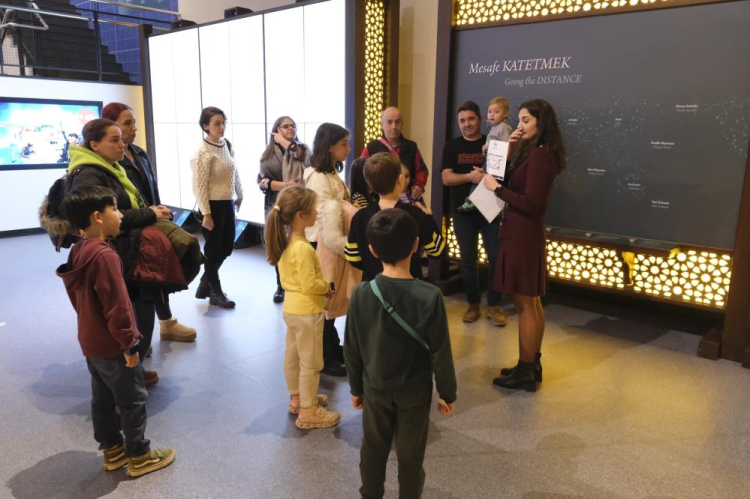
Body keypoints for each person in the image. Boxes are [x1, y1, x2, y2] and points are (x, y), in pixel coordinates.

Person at [56, 185, 176, 478]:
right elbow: (118, 306)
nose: (121, 215)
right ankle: (139, 455)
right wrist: (129, 343)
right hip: (114, 344)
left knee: (103, 398)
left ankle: (112, 449)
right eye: (115, 209)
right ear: (98, 216)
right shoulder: (106, 256)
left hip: (91, 341)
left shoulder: (78, 251)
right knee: (133, 399)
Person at [344, 208, 457, 499]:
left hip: (375, 387)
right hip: (414, 390)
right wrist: (447, 392)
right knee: (410, 455)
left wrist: (356, 387)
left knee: (373, 449)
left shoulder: (361, 293)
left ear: (371, 250)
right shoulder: (429, 296)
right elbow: (441, 350)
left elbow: (352, 347)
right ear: (416, 245)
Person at [67, 118, 171, 386]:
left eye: (120, 139)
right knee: (127, 310)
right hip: (118, 250)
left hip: (126, 248)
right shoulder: (89, 174)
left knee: (138, 308)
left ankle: (131, 369)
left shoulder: (111, 167)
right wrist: (149, 214)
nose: (121, 144)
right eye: (114, 140)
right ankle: (127, 374)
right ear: (94, 145)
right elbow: (105, 217)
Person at [483, 99, 566, 392]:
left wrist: (496, 189)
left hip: (523, 233)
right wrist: (510, 151)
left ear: (542, 123)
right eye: (519, 120)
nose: (519, 126)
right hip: (521, 232)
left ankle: (527, 368)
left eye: (526, 120)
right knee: (530, 302)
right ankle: (529, 364)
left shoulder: (541, 156)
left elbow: (530, 203)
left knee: (526, 304)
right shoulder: (534, 152)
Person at [103, 102, 197, 345]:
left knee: (159, 275)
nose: (134, 127)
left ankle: (166, 323)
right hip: (129, 231)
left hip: (150, 222)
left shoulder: (139, 153)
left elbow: (149, 191)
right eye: (127, 123)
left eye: (134, 122)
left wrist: (159, 212)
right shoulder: (110, 162)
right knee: (141, 284)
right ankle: (138, 338)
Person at [265, 186, 342, 429]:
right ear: (301, 215)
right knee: (311, 363)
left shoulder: (286, 243)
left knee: (293, 356)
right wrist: (326, 286)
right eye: (313, 209)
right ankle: (308, 411)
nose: (317, 213)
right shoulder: (304, 249)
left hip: (291, 309)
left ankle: (297, 399)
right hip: (308, 311)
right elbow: (311, 285)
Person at [441, 101, 506, 327]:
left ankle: (494, 305)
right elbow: (446, 178)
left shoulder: (493, 142)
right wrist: (470, 177)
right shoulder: (451, 147)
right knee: (467, 260)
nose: (466, 124)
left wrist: (486, 175)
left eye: (470, 119)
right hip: (463, 213)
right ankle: (473, 304)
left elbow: (503, 174)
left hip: (490, 211)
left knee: (496, 257)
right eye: (462, 121)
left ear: (479, 119)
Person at [345, 152, 444, 281]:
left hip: (373, 285)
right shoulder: (416, 214)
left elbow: (353, 257)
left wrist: (372, 267)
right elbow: (437, 251)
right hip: (410, 286)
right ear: (400, 179)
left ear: (370, 183)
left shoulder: (360, 217)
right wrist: (429, 218)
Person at [303, 122, 353, 377]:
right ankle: (325, 356)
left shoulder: (331, 173)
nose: (348, 149)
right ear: (329, 146)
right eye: (343, 144)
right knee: (324, 301)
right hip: (320, 242)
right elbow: (324, 215)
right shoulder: (318, 178)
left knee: (329, 300)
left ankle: (332, 346)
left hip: (329, 241)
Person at [192, 106, 243, 309]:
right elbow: (199, 186)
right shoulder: (202, 153)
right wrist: (206, 213)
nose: (222, 127)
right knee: (213, 250)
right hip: (211, 206)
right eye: (216, 123)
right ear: (206, 126)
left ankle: (206, 282)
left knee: (227, 247)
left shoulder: (225, 144)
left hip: (227, 203)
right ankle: (215, 290)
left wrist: (240, 194)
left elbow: (234, 171)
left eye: (223, 122)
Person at [258, 116, 311, 304]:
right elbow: (262, 182)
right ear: (276, 129)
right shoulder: (267, 155)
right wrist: (286, 185)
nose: (291, 128)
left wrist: (283, 141)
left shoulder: (302, 149)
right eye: (286, 126)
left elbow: (302, 157)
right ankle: (280, 284)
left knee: (298, 242)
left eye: (293, 125)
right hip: (275, 202)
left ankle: (299, 281)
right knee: (278, 242)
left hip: (299, 202)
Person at [360, 107, 429, 203]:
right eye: (389, 122)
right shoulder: (371, 147)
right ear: (382, 125)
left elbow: (422, 171)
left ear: (402, 124)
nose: (394, 126)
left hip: (407, 199)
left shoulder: (411, 147)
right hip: (379, 200)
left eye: (397, 122)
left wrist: (418, 186)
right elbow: (360, 172)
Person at [457, 96, 513, 212]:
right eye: (490, 111)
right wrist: (486, 147)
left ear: (505, 113)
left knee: (486, 182)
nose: (492, 115)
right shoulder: (495, 127)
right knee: (482, 180)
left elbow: (506, 147)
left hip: (497, 163)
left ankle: (472, 201)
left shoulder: (504, 127)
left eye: (496, 112)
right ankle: (474, 201)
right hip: (491, 160)